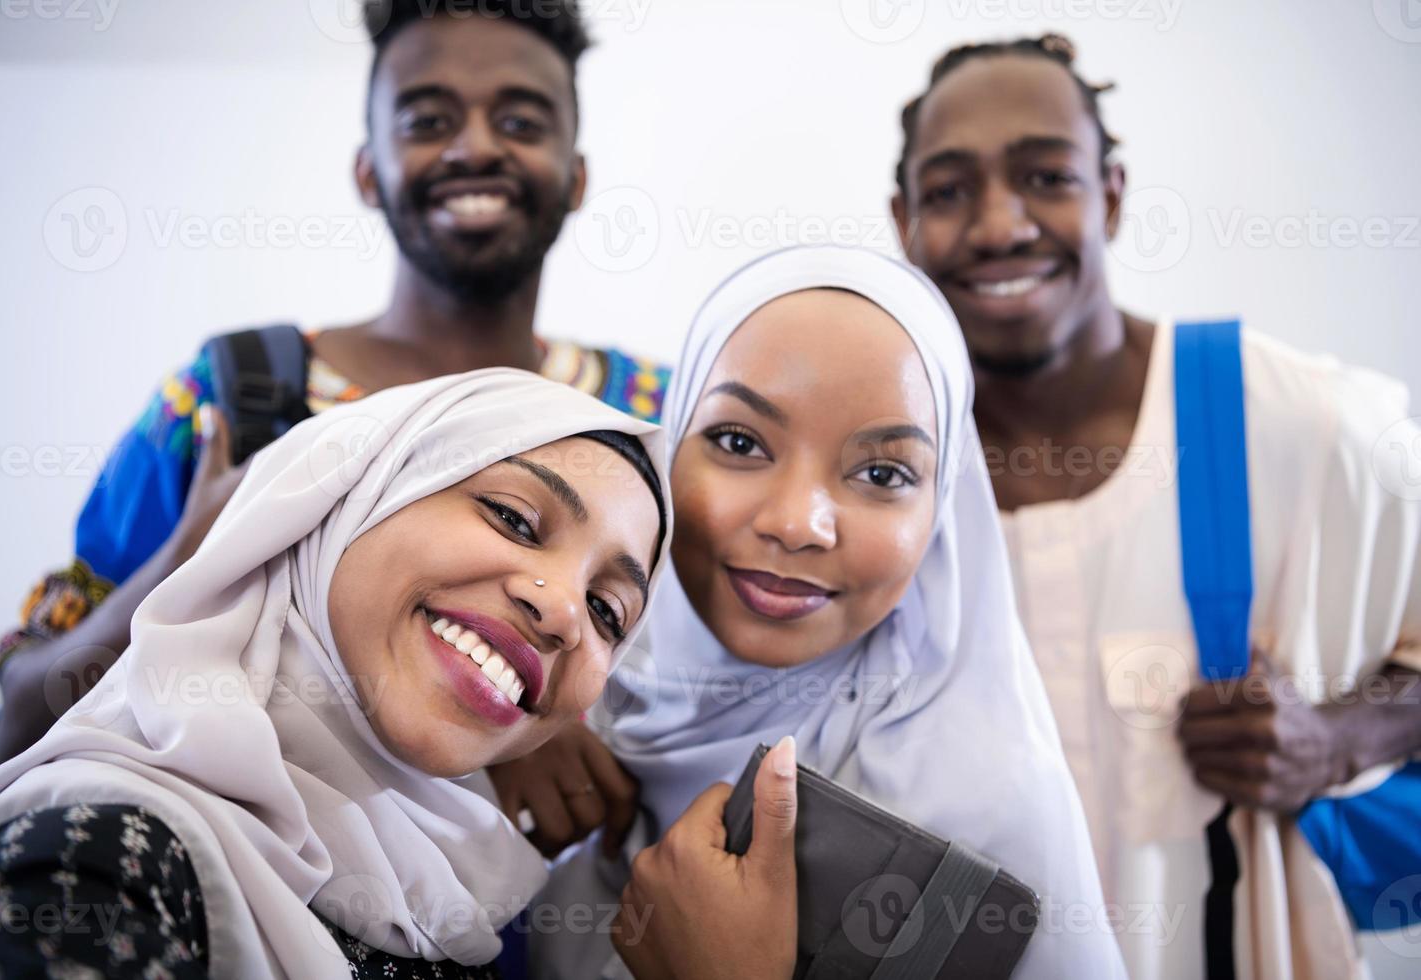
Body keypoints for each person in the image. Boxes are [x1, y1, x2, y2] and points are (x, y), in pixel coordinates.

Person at [0, 0, 670, 766]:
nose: (475, 147)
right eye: (427, 121)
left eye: (520, 123)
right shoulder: (226, 397)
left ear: (576, 178)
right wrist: (190, 563)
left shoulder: (651, 420)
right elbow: (23, 725)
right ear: (368, 171)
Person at [890, 33, 1421, 978]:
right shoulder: (881, 472)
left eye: (1046, 176)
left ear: (1114, 193)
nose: (1000, 225)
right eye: (948, 190)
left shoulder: (1304, 420)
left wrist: (1335, 739)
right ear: (903, 221)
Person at [506, 245, 1126, 978]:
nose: (799, 523)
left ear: (941, 521)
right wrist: (488, 750)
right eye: (739, 442)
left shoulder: (980, 814)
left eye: (882, 473)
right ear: (670, 452)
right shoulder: (563, 691)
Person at [0, 369, 671, 978]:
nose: (565, 615)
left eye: (609, 611)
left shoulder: (466, 907)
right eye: (514, 517)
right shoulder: (95, 866)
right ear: (345, 502)